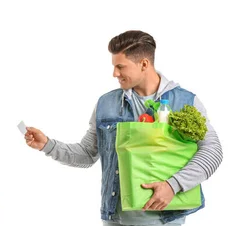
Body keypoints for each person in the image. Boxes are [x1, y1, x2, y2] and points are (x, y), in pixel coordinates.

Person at [24, 30, 222, 226]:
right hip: (115, 219)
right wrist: (47, 145)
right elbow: (87, 154)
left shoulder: (186, 102)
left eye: (120, 67)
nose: (114, 73)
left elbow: (213, 152)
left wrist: (173, 185)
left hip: (165, 220)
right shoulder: (106, 103)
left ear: (144, 64)